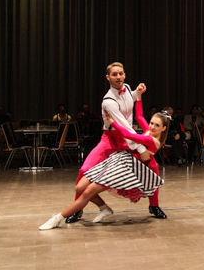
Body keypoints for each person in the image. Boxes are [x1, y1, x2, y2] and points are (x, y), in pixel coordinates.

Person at [40, 97, 169, 230]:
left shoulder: (153, 141)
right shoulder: (148, 131)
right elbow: (140, 116)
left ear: (163, 128)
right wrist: (139, 97)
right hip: (120, 160)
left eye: (157, 125)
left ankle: (57, 218)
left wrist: (112, 121)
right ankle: (104, 208)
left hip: (126, 169)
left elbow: (127, 134)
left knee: (87, 192)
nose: (152, 126)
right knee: (80, 188)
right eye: (152, 123)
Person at [64, 63, 167, 224]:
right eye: (114, 74)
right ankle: (77, 209)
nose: (118, 77)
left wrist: (137, 93)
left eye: (121, 73)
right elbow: (124, 126)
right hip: (111, 139)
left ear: (124, 75)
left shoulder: (127, 88)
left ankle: (154, 206)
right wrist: (141, 148)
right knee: (84, 170)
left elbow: (129, 100)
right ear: (108, 77)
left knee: (152, 166)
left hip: (128, 138)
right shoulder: (108, 101)